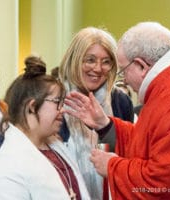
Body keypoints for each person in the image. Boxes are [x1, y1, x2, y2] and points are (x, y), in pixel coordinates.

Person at [64, 22, 170, 199]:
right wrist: (106, 125)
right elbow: (152, 142)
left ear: (141, 66)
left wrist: (112, 166)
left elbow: (164, 184)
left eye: (123, 71)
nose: (125, 82)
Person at [0, 56, 90, 200]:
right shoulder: (6, 166)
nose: (62, 110)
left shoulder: (54, 146)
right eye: (57, 102)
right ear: (32, 107)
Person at [58, 27, 134, 199]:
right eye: (90, 60)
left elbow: (128, 151)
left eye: (106, 62)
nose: (98, 69)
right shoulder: (54, 98)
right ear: (74, 60)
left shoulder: (120, 101)